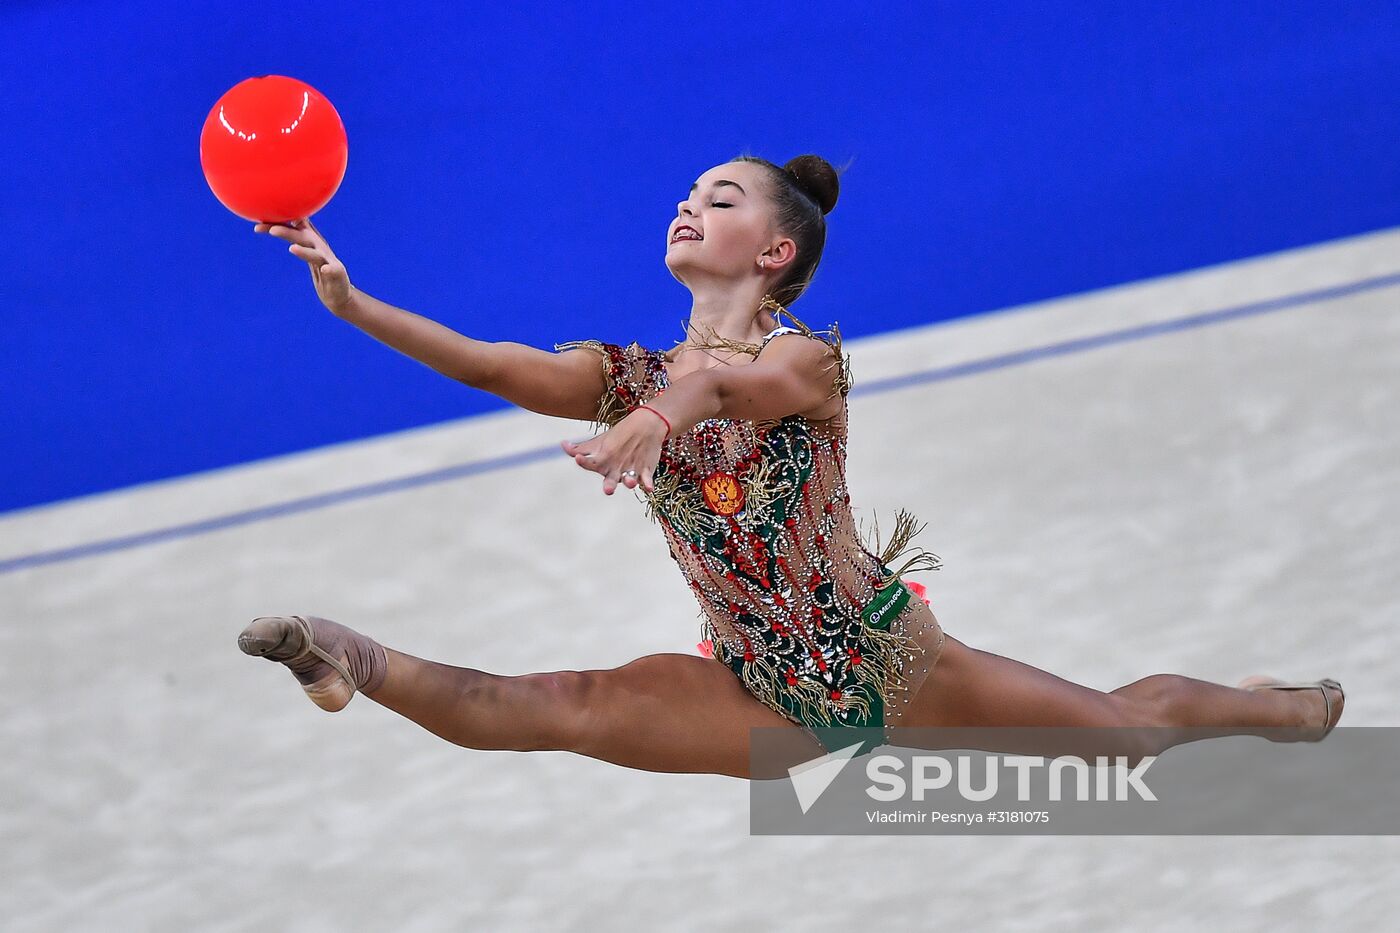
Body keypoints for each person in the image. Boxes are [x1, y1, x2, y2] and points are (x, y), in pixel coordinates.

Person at [239, 153, 1343, 780]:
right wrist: (352, 302)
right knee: (557, 706)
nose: (687, 203)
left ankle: (1274, 710)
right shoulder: (622, 378)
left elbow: (724, 388)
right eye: (685, 193)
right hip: (759, 692)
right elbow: (496, 367)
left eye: (720, 199)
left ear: (776, 253)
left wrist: (661, 422)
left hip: (888, 661)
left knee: (1123, 740)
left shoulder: (803, 359)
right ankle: (349, 657)